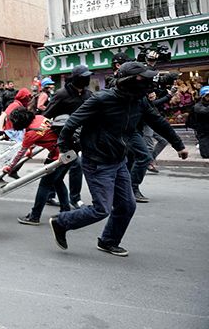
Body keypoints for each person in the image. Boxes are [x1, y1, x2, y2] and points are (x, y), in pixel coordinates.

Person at [49, 62, 188, 257]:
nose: (148, 84)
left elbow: (157, 121)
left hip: (119, 160)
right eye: (143, 79)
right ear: (130, 81)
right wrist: (64, 149)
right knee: (101, 209)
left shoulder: (139, 101)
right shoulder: (101, 99)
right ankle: (61, 222)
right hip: (97, 161)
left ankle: (108, 241)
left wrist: (178, 144)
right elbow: (71, 123)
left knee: (127, 206)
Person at [2, 108, 72, 224]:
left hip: (58, 158)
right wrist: (30, 149)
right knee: (58, 181)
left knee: (44, 186)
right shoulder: (39, 118)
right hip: (68, 153)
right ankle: (66, 211)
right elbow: (46, 135)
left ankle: (34, 216)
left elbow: (20, 153)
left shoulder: (30, 134)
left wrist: (10, 167)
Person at [43, 65, 93, 209]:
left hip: (79, 137)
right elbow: (46, 115)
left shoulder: (88, 94)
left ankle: (50, 194)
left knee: (62, 168)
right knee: (75, 165)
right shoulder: (62, 94)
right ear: (76, 78)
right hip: (62, 137)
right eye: (84, 77)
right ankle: (74, 199)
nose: (87, 79)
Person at [186, 85, 209, 158]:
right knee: (205, 151)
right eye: (207, 95)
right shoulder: (198, 106)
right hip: (202, 130)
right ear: (203, 96)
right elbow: (202, 111)